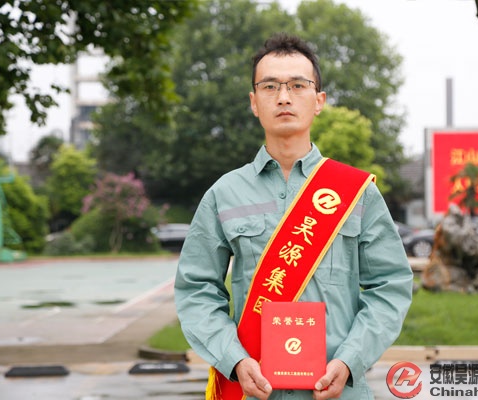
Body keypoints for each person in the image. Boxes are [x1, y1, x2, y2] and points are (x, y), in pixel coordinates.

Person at [174, 33, 413, 400]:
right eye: (270, 86)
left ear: (319, 101)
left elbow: (390, 285)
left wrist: (350, 359)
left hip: (338, 392)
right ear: (254, 102)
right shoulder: (224, 193)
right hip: (253, 391)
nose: (283, 97)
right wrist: (234, 359)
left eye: (298, 85)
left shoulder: (356, 192)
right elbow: (196, 289)